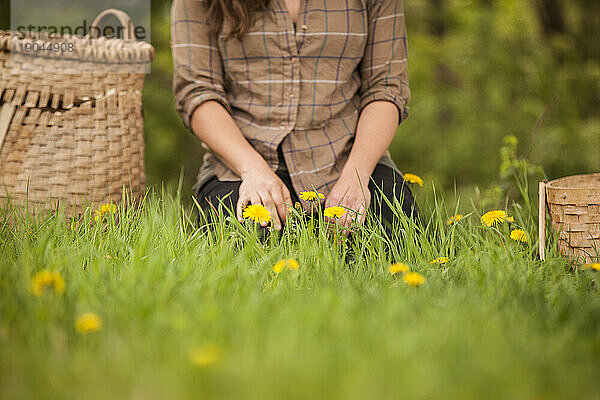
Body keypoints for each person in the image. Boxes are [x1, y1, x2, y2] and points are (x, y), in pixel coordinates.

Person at [171, 0, 417, 235]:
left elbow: (385, 88)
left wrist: (357, 176)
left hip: (351, 159)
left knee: (391, 249)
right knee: (247, 255)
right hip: (241, 165)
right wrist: (252, 170)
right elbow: (198, 92)